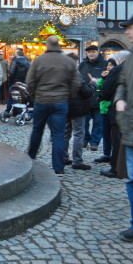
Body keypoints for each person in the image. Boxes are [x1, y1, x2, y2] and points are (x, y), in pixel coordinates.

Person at [26, 36, 81, 175]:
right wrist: (67, 96)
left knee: (37, 130)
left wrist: (35, 96)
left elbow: (30, 82)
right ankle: (58, 167)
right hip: (60, 102)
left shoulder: (39, 60)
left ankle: (30, 157)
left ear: (47, 45)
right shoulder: (68, 61)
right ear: (59, 45)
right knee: (58, 135)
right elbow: (76, 83)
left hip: (42, 100)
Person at [114, 13, 133, 242]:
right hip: (130, 128)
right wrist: (120, 98)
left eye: (130, 27)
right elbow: (122, 84)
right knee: (132, 179)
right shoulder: (130, 59)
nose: (127, 32)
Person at [100, 51, 130, 178]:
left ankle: (116, 168)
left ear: (119, 60)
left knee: (117, 141)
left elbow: (105, 92)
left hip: (120, 110)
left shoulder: (118, 70)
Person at [63, 53, 96, 171]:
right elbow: (86, 92)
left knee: (66, 134)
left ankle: (64, 157)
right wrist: (93, 84)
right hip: (77, 109)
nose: (78, 64)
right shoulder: (75, 75)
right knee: (78, 134)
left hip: (65, 108)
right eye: (77, 62)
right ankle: (77, 161)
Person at [79, 44, 107, 152]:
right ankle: (85, 139)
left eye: (93, 52)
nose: (91, 54)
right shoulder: (82, 65)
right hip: (86, 98)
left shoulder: (104, 64)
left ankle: (94, 142)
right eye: (89, 52)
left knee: (98, 122)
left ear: (97, 52)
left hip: (99, 98)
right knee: (84, 122)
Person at [95, 58, 118, 164]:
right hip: (104, 108)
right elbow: (99, 89)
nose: (109, 67)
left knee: (113, 133)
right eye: (108, 65)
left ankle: (114, 154)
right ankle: (106, 153)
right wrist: (102, 78)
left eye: (111, 65)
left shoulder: (115, 76)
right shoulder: (105, 77)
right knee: (105, 133)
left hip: (111, 107)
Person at [4, 48, 31, 114]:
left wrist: (10, 82)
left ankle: (8, 111)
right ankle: (21, 112)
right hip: (24, 83)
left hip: (15, 83)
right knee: (22, 98)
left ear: (17, 54)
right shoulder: (28, 63)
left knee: (11, 98)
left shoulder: (15, 62)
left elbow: (12, 73)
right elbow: (30, 74)